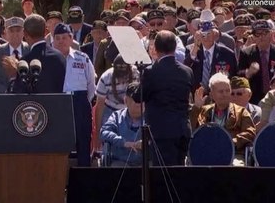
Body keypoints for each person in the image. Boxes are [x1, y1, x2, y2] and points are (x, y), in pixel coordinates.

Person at [142, 30, 194, 166]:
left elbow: (139, 96)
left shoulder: (151, 71)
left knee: (163, 178)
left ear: (156, 49)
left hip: (161, 133)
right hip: (182, 130)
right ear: (175, 47)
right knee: (178, 173)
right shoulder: (187, 71)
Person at [53, 23, 96, 166]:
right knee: (58, 143)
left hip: (79, 102)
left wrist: (82, 102)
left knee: (83, 141)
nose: (61, 41)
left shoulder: (82, 58)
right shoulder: (49, 59)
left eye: (64, 38)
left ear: (71, 39)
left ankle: (83, 180)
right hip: (58, 102)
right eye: (57, 38)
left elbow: (91, 85)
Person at [191, 73, 256, 165]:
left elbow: (250, 133)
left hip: (234, 154)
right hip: (207, 153)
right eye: (221, 91)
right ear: (211, 94)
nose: (225, 94)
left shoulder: (241, 112)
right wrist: (196, 108)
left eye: (227, 90)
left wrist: (230, 142)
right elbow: (193, 130)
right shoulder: (204, 111)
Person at [8, 14, 66, 94]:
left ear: (25, 34)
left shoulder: (24, 63)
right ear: (46, 31)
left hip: (33, 106)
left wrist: (12, 77)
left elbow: (18, 94)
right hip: (58, 105)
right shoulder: (60, 57)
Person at [238, 19, 275, 104]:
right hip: (254, 99)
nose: (261, 37)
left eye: (264, 33)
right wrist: (248, 72)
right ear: (253, 36)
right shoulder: (246, 53)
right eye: (257, 34)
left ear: (271, 34)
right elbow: (238, 74)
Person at [184, 10, 238, 93]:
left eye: (209, 33)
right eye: (203, 34)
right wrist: (195, 47)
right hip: (196, 93)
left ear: (215, 34)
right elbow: (186, 67)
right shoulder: (191, 50)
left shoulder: (227, 53)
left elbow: (233, 75)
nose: (206, 37)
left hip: (219, 94)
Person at [100, 82, 143, 166]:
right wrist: (123, 142)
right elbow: (104, 132)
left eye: (141, 100)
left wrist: (146, 142)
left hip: (144, 163)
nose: (139, 104)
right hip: (120, 161)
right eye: (135, 100)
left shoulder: (151, 118)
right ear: (126, 100)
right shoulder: (116, 116)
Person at [0, 17, 30, 94]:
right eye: (11, 31)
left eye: (18, 30)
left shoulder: (30, 50)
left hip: (27, 99)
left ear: (23, 32)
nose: (15, 34)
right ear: (5, 32)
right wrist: (8, 91)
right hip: (4, 100)